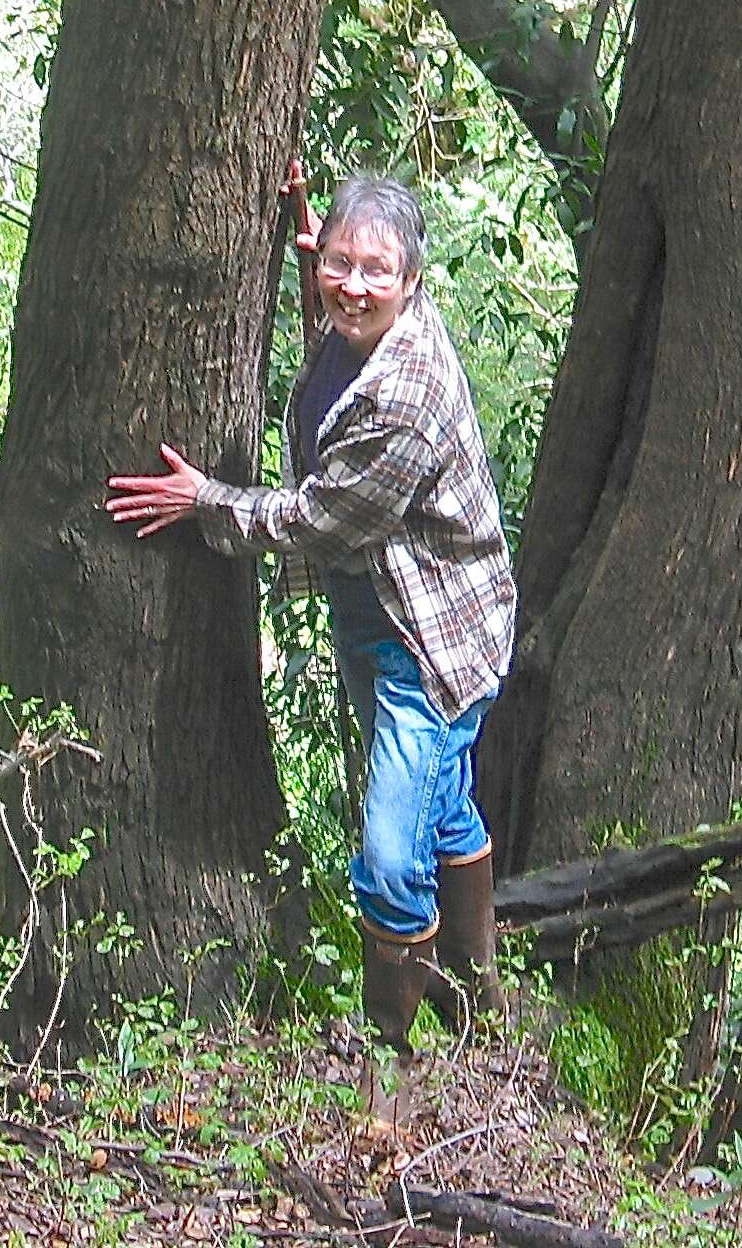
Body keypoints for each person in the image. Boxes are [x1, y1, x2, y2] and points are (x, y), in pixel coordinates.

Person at [106, 175, 516, 1113]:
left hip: (433, 637)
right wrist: (317, 268)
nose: (353, 285)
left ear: (415, 282)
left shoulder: (405, 395)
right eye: (339, 262)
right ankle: (478, 1000)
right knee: (443, 809)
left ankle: (393, 1066)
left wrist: (203, 501)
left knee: (385, 854)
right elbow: (334, 358)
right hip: (386, 611)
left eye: (377, 271)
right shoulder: (361, 326)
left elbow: (322, 518)